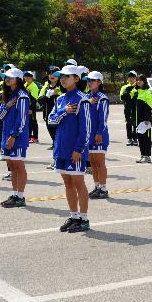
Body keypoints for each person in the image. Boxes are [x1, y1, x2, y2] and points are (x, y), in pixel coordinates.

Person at [48, 65, 92, 233]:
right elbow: (51, 120)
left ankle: (84, 218)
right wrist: (64, 111)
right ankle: (74, 216)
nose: (62, 79)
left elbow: (86, 128)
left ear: (76, 79)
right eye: (61, 76)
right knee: (67, 182)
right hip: (61, 148)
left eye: (67, 76)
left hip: (75, 150)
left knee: (78, 182)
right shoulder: (60, 99)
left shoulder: (83, 99)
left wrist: (79, 149)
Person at [0, 68, 31, 208]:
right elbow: (0, 115)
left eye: (10, 77)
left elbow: (22, 119)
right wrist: (7, 105)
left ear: (18, 79)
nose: (7, 79)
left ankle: (20, 196)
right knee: (11, 166)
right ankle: (15, 194)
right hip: (6, 135)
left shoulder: (22, 96)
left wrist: (13, 135)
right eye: (6, 77)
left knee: (18, 166)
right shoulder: (8, 95)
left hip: (16, 137)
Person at [86, 71, 110, 199]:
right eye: (88, 80)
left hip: (99, 134)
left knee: (100, 162)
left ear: (99, 82)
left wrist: (100, 132)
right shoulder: (87, 96)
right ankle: (97, 186)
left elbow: (103, 118)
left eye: (93, 80)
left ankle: (103, 188)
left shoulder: (102, 98)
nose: (89, 82)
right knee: (93, 163)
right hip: (89, 135)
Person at [39, 69, 63, 169]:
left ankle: (59, 162)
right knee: (54, 141)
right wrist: (47, 96)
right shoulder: (45, 86)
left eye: (54, 74)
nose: (51, 75)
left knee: (59, 140)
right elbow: (39, 101)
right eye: (50, 73)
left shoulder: (62, 86)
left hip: (60, 118)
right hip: (49, 118)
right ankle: (56, 161)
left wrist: (57, 94)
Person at [133, 74, 152, 163]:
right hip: (137, 120)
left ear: (144, 81)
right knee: (140, 138)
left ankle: (147, 156)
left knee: (146, 138)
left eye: (140, 80)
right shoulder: (136, 92)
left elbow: (149, 107)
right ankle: (143, 155)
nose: (138, 81)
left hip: (145, 121)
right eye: (137, 80)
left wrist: (146, 119)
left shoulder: (147, 92)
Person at [120, 71, 138, 146]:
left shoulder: (138, 86)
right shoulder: (124, 87)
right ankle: (129, 138)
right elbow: (121, 97)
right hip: (127, 107)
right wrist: (127, 93)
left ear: (136, 78)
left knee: (135, 123)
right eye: (130, 77)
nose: (131, 79)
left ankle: (135, 138)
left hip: (136, 108)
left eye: (133, 77)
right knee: (128, 122)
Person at [24, 70, 40, 143]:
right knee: (28, 122)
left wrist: (30, 108)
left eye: (28, 77)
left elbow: (33, 99)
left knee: (33, 122)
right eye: (25, 76)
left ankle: (35, 137)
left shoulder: (34, 86)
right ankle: (29, 136)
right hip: (26, 106)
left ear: (32, 78)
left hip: (31, 107)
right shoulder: (25, 85)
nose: (26, 78)